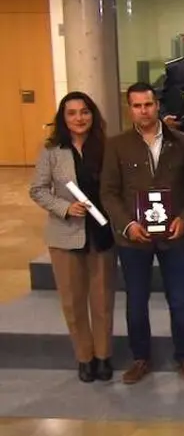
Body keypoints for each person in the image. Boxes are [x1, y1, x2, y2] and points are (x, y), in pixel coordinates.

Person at [100, 83, 184, 385]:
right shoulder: (116, 145)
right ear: (129, 109)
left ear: (157, 105)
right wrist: (128, 225)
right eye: (137, 106)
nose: (143, 111)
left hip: (175, 236)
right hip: (133, 238)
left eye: (148, 104)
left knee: (180, 300)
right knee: (136, 300)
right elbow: (108, 192)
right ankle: (140, 358)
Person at [29, 92, 115, 382]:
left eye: (85, 111)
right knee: (73, 302)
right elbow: (38, 190)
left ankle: (103, 355)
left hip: (102, 234)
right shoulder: (52, 150)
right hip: (65, 236)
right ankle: (85, 357)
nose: (79, 118)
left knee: (103, 301)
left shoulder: (107, 147)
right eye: (72, 113)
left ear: (93, 114)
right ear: (63, 118)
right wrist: (65, 208)